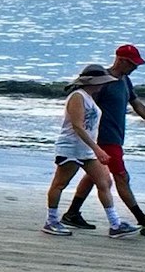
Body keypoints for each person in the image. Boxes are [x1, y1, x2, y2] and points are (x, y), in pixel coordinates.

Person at [89, 42, 145, 233]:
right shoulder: (101, 80)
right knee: (121, 176)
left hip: (115, 137)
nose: (135, 68)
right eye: (132, 64)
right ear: (120, 60)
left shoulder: (125, 81)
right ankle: (143, 220)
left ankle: (72, 213)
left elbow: (138, 106)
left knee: (93, 175)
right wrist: (83, 133)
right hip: (104, 139)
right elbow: (86, 105)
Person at [43, 64, 122, 232]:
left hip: (86, 150)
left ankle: (115, 224)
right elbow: (78, 127)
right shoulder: (77, 97)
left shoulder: (89, 97)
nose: (103, 85)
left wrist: (94, 149)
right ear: (91, 82)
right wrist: (97, 149)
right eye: (101, 82)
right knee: (60, 184)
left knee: (104, 182)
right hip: (71, 148)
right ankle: (51, 221)